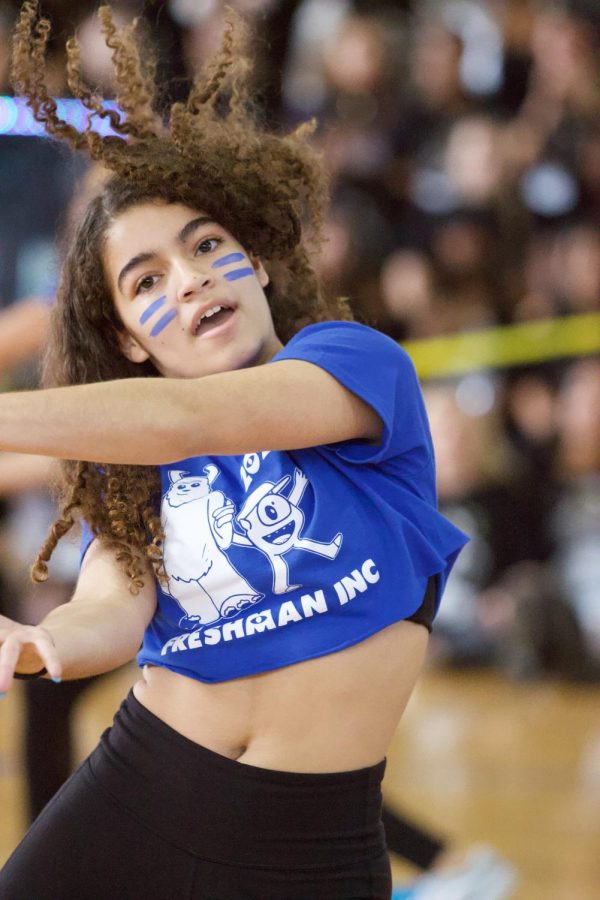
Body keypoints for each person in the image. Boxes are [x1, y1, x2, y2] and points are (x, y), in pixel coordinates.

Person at [0, 4, 468, 898]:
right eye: (148, 283)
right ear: (130, 338)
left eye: (208, 245)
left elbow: (198, 421)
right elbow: (111, 609)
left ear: (253, 260)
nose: (192, 279)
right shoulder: (134, 467)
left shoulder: (353, 366)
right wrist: (42, 643)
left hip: (314, 843)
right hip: (136, 796)